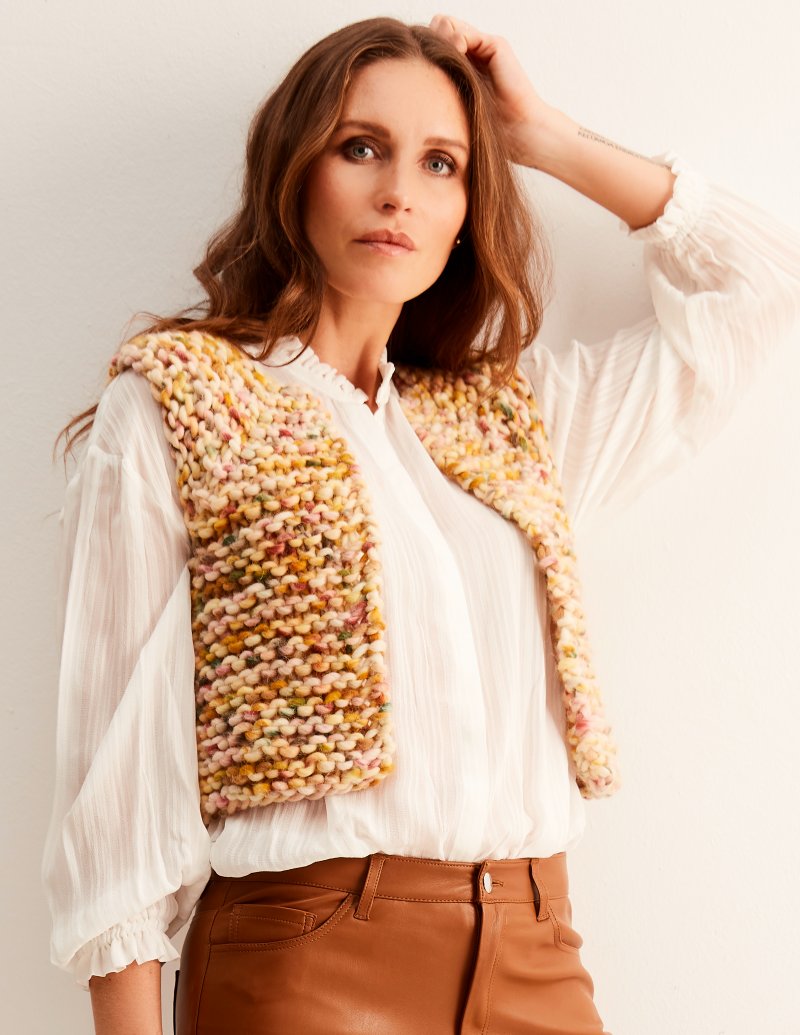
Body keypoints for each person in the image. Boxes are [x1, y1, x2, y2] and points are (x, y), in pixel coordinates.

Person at [42, 13, 799, 1035]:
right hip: (306, 963)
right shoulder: (185, 402)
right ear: (295, 171)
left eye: (442, 163)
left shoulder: (513, 427)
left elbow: (759, 287)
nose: (400, 190)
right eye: (361, 148)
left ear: (467, 210)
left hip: (536, 958)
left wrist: (544, 139)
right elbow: (118, 786)